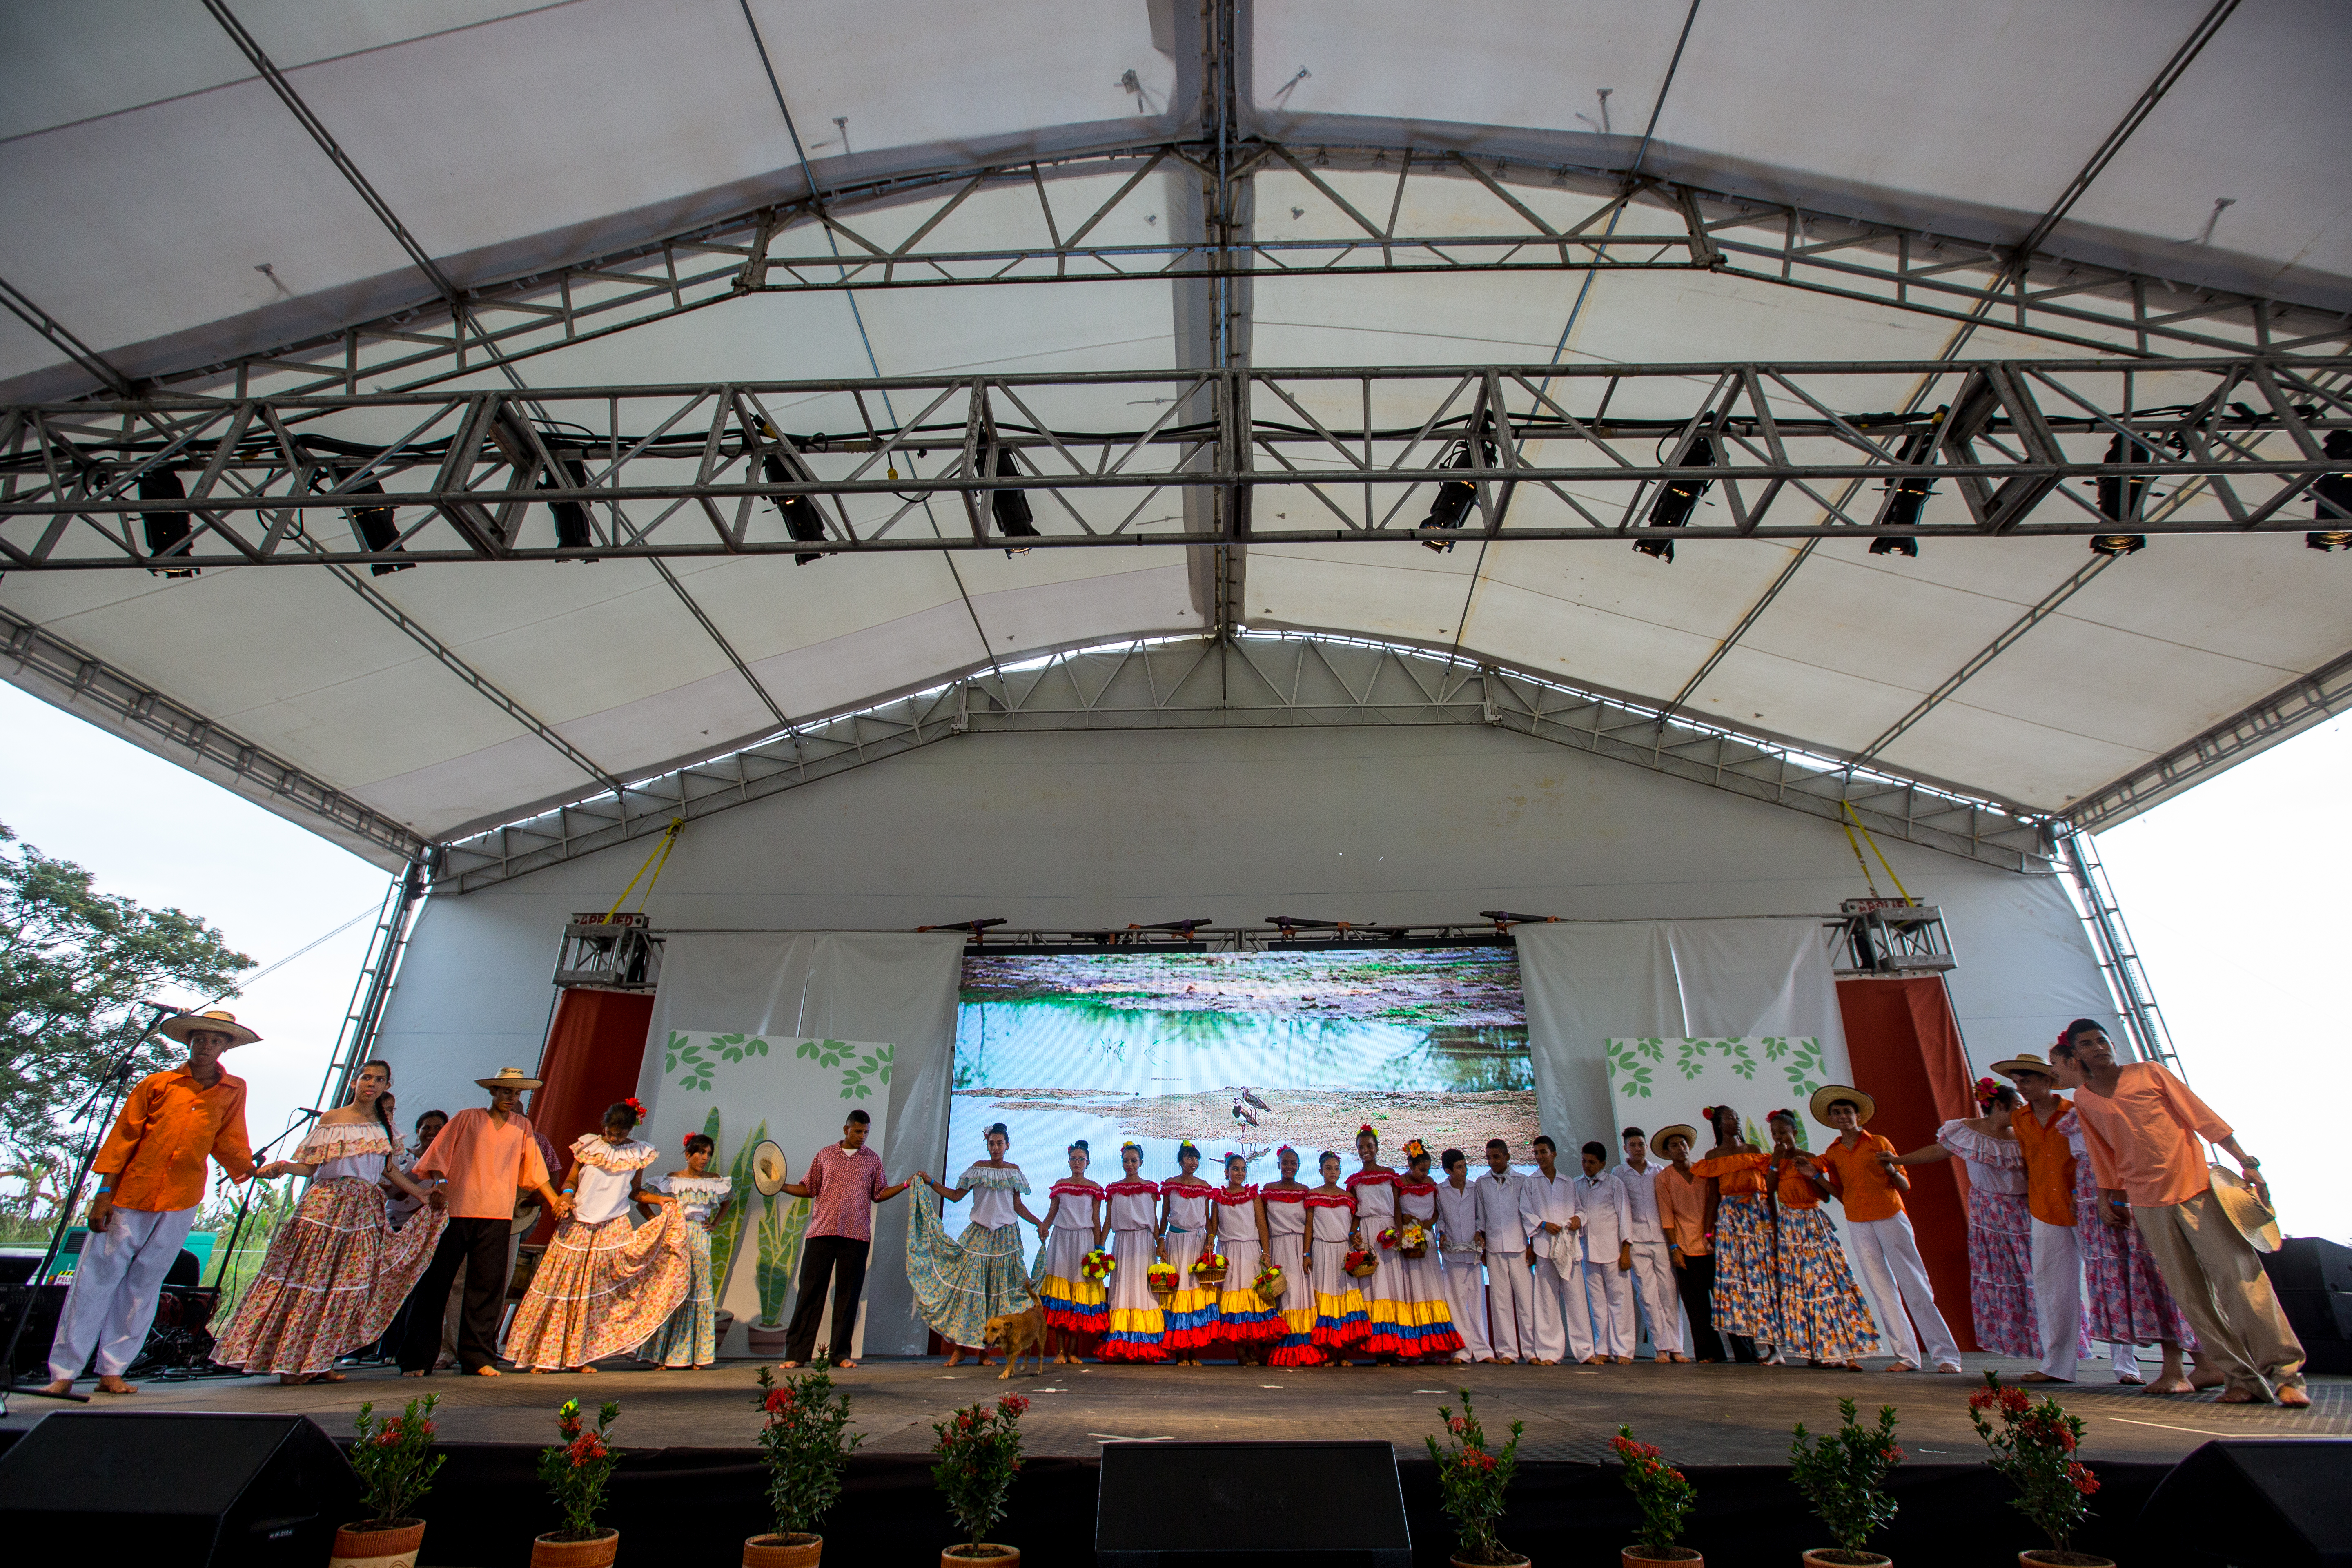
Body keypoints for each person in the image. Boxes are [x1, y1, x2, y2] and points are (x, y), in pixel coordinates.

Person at [2056, 1020, 2306, 1407]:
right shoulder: (2085, 1099)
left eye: (2103, 1041)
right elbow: (2102, 1152)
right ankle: (2242, 1378)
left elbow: (2201, 1116)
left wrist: (2246, 1161)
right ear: (2076, 1056)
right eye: (2088, 1044)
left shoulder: (2150, 1074)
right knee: (2191, 1296)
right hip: (2146, 1203)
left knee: (2239, 1279)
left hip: (2196, 1189)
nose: (2098, 1048)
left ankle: (2286, 1375)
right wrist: (2106, 1197)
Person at [43, 1009, 258, 1397]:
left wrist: (253, 1170)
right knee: (96, 1279)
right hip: (131, 1192)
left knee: (145, 1283)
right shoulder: (157, 1084)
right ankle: (65, 1371)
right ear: (188, 1042)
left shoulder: (233, 1090)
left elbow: (229, 1140)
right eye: (199, 1039)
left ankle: (113, 1369)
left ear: (226, 1047)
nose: (205, 1046)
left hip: (182, 1196)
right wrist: (103, 1194)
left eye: (215, 1041)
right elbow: (123, 1137)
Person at [210, 1060, 446, 1383]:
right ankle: (291, 1362)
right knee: (311, 1281)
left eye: (379, 1080)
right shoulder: (333, 1119)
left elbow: (389, 1170)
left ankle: (319, 1359)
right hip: (326, 1207)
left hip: (364, 1208)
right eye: (367, 1077)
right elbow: (310, 1167)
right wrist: (284, 1166)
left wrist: (421, 1196)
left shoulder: (386, 1127)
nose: (372, 1084)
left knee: (345, 1286)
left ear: (387, 1087)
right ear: (355, 1082)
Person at [2039, 1047, 2204, 1390]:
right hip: (2100, 1199)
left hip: (2122, 1198)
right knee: (2138, 1279)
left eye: (2055, 1064)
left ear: (2073, 1062)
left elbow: (2120, 1154)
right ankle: (2199, 1362)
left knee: (2149, 1276)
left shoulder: (2105, 1103)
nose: (2053, 1072)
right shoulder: (2085, 1104)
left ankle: (2178, 1366)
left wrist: (2114, 1197)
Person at [397, 1066, 569, 1377]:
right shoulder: (467, 1118)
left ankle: (478, 1357)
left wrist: (555, 1200)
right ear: (493, 1091)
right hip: (458, 1210)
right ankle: (418, 1359)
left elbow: (536, 1170)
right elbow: (438, 1155)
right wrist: (440, 1183)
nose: (511, 1097)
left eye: (516, 1093)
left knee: (487, 1286)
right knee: (437, 1284)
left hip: (498, 1214)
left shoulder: (522, 1127)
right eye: (506, 1091)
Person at [505, 1099, 686, 1373]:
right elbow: (570, 1182)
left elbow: (634, 1192)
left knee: (594, 1296)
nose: (613, 1139)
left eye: (620, 1135)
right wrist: (565, 1198)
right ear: (604, 1127)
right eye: (610, 1133)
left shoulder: (638, 1154)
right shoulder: (589, 1145)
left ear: (630, 1131)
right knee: (561, 1289)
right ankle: (545, 1356)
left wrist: (661, 1200)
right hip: (578, 1224)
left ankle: (581, 1358)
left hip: (611, 1228)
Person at [1812, 1085, 1963, 1374]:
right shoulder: (1833, 1154)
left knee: (1914, 1283)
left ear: (1859, 1116)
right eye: (1837, 1113)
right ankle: (1907, 1356)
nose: (1843, 1116)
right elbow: (1842, 1194)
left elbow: (1905, 1186)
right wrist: (1817, 1176)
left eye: (1847, 1111)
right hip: (1858, 1220)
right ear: (1831, 1119)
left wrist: (1892, 1168)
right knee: (1882, 1288)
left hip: (1890, 1216)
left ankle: (1946, 1356)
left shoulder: (1878, 1143)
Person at [1894, 1080, 2036, 1362]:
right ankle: (2013, 1342)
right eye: (2018, 1105)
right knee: (2001, 1277)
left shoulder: (2026, 1134)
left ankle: (2047, 1345)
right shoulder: (1967, 1132)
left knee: (2034, 1275)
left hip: (2024, 1213)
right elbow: (1937, 1151)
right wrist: (1899, 1160)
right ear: (1999, 1105)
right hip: (1988, 1215)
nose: (2023, 1111)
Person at [775, 1107, 913, 1370]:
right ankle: (797, 1354)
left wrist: (906, 1184)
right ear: (846, 1129)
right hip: (822, 1233)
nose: (863, 1136)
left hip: (856, 1236)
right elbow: (809, 1188)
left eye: (866, 1132)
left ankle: (840, 1354)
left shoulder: (872, 1160)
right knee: (809, 1294)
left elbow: (879, 1193)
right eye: (858, 1131)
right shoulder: (826, 1156)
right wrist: (780, 1186)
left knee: (848, 1297)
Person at [1996, 1052, 2094, 1384]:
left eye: (2027, 1081)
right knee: (2053, 1289)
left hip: (2087, 1206)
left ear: (2047, 1081)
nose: (2021, 1088)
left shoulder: (2076, 1110)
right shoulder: (2021, 1119)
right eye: (2017, 1082)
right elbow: (2027, 1161)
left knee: (2107, 1280)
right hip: (2044, 1208)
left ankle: (2127, 1367)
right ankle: (2057, 1367)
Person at [911, 1122, 1042, 1368]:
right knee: (970, 1296)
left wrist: (1039, 1223)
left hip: (1005, 1240)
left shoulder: (1014, 1172)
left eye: (1000, 1144)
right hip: (978, 1237)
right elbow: (955, 1196)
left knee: (995, 1297)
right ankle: (960, 1351)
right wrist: (930, 1182)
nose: (995, 1148)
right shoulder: (977, 1170)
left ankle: (985, 1354)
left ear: (1007, 1146)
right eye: (992, 1144)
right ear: (987, 1144)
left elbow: (1018, 1207)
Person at [1762, 1109, 1875, 1370]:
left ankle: (1846, 1351)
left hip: (1812, 1222)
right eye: (1775, 1133)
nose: (1779, 1137)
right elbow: (1768, 1190)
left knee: (1830, 1283)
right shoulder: (1774, 1161)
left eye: (1784, 1132)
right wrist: (1776, 1162)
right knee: (1800, 1288)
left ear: (1795, 1133)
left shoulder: (1810, 1159)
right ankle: (1814, 1350)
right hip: (1789, 1226)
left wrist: (1810, 1174)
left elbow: (1825, 1197)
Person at [1653, 1123, 1751, 1363]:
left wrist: (1715, 1236)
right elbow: (1667, 1216)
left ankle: (1746, 1352)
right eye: (1674, 1145)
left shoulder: (1704, 1170)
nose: (1681, 1148)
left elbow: (1716, 1202)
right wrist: (1675, 1248)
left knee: (1728, 1302)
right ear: (1667, 1152)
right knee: (1697, 1308)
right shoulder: (1664, 1178)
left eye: (1683, 1143)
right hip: (1686, 1249)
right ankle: (1708, 1353)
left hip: (1714, 1246)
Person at [1693, 1105, 1782, 1362]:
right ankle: (1754, 1344)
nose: (1736, 1121)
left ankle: (1775, 1348)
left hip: (1757, 1217)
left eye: (1738, 1117)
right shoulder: (1713, 1156)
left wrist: (1775, 1224)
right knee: (1740, 1285)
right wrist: (1708, 1233)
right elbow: (1713, 1197)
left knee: (1763, 1280)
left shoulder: (1753, 1151)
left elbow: (1769, 1188)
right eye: (1730, 1118)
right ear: (1719, 1124)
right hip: (1730, 1222)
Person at [646, 1132, 733, 1369]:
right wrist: (659, 1224)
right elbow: (641, 1199)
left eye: (709, 1154)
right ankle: (663, 1355)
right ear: (688, 1155)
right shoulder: (672, 1180)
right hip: (676, 1237)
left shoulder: (714, 1180)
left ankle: (696, 1355)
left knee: (698, 1290)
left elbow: (727, 1201)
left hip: (701, 1237)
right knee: (674, 1290)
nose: (705, 1158)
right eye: (701, 1153)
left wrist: (714, 1224)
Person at [1614, 1127, 1686, 1363]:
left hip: (1662, 1240)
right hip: (1636, 1241)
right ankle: (1661, 1348)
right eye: (1633, 1145)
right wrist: (1625, 1244)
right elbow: (1620, 1211)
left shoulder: (1659, 1171)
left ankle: (1677, 1348)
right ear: (1626, 1148)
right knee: (1647, 1295)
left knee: (1669, 1294)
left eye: (1641, 1144)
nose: (1638, 1149)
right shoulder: (1618, 1174)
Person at [1033, 1140, 1107, 1364]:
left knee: (1079, 1297)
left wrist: (1098, 1249)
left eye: (1081, 1159)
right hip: (1062, 1241)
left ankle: (1073, 1352)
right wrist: (1044, 1227)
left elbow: (1096, 1220)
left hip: (1084, 1242)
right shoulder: (1061, 1185)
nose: (1077, 1163)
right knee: (1061, 1295)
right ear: (1069, 1162)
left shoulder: (1094, 1188)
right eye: (1074, 1159)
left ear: (1088, 1162)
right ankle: (1060, 1352)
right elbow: (1052, 1213)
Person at [1391, 1143, 1464, 1362]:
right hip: (1408, 1242)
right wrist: (1404, 1225)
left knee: (1432, 1289)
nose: (1425, 1174)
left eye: (1428, 1170)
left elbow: (1436, 1213)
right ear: (1410, 1165)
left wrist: (1428, 1224)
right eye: (1421, 1170)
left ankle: (1434, 1347)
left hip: (1427, 1241)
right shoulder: (1399, 1183)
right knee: (1411, 1291)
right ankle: (1411, 1349)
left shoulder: (1431, 1184)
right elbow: (1396, 1209)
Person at [1519, 1134, 1588, 1366]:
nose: (1539, 1157)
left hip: (1568, 1246)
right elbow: (1526, 1213)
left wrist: (1579, 1218)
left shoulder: (1568, 1182)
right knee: (1547, 1301)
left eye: (1543, 1153)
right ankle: (1550, 1352)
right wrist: (1543, 1224)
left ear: (1554, 1154)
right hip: (1544, 1246)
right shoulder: (1531, 1182)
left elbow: (1581, 1209)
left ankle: (1585, 1351)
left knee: (1576, 1299)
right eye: (1536, 1153)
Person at [1099, 1143, 1166, 1363]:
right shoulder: (1114, 1189)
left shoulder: (1150, 1188)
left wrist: (1160, 1242)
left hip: (1144, 1243)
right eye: (1126, 1161)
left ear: (1141, 1162)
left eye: (1134, 1161)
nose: (1130, 1165)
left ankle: (1145, 1341)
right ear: (1122, 1162)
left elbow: (1154, 1220)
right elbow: (1108, 1220)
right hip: (1122, 1243)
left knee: (1144, 1289)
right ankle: (1123, 1341)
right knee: (1123, 1288)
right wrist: (1100, 1248)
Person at [1345, 1125, 1407, 1362]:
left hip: (1389, 1231)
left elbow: (1398, 1206)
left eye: (1369, 1146)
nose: (1365, 1151)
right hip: (1369, 1233)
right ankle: (1377, 1346)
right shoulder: (1355, 1181)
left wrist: (1399, 1231)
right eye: (1361, 1148)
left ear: (1377, 1148)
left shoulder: (1390, 1175)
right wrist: (1354, 1235)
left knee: (1391, 1284)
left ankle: (1395, 1345)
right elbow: (1356, 1214)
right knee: (1373, 1286)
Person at [1210, 1152, 1280, 1363]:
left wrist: (1266, 1253)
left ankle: (1251, 1346)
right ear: (1226, 1172)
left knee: (1251, 1298)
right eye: (1235, 1169)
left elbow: (1262, 1226)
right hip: (1229, 1253)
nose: (1239, 1173)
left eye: (1243, 1169)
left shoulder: (1253, 1196)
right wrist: (1209, 1242)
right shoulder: (1219, 1198)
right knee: (1233, 1298)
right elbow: (1214, 1225)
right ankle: (1239, 1349)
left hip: (1250, 1251)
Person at [1156, 1141, 1220, 1365]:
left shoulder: (1204, 1187)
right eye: (1189, 1157)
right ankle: (1180, 1353)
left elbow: (1209, 1221)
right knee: (1178, 1290)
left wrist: (1210, 1240)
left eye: (1196, 1158)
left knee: (1195, 1292)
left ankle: (1194, 1352)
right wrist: (1161, 1241)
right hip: (1176, 1241)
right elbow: (1164, 1217)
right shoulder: (1171, 1186)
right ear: (1181, 1160)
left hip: (1197, 1242)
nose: (1193, 1162)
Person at [1571, 1140, 1635, 1364]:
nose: (1586, 1166)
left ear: (1603, 1164)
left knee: (1620, 1300)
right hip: (1588, 1251)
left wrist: (1626, 1248)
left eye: (1592, 1162)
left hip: (1614, 1250)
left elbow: (1624, 1216)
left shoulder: (1614, 1184)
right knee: (1597, 1302)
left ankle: (1624, 1349)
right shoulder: (1577, 1185)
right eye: (1584, 1161)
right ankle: (1603, 1347)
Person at [1474, 1138, 1534, 1363]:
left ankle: (1531, 1350)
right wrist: (1483, 1243)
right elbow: (1481, 1217)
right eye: (1488, 1158)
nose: (1492, 1162)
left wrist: (1532, 1245)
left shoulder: (1522, 1181)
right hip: (1495, 1248)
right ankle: (1507, 1351)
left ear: (1507, 1157)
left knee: (1526, 1301)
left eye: (1496, 1157)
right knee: (1501, 1302)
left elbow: (1528, 1215)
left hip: (1519, 1247)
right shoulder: (1482, 1183)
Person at [1305, 1150, 1367, 1363]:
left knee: (1344, 1299)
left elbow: (1354, 1224)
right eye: (1329, 1169)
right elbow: (1309, 1228)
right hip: (1322, 1250)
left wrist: (1353, 1236)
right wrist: (1307, 1253)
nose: (1333, 1172)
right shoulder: (1314, 1196)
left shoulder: (1348, 1197)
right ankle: (1328, 1353)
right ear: (1321, 1171)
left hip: (1343, 1252)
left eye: (1337, 1169)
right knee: (1325, 1298)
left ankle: (1343, 1353)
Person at [1261, 1146, 1319, 1367]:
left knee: (1298, 1294)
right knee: (1280, 1294)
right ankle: (1281, 1349)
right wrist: (1265, 1253)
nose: (1289, 1167)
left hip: (1299, 1247)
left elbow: (1310, 1226)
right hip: (1277, 1247)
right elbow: (1263, 1224)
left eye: (1293, 1163)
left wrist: (1306, 1253)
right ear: (1278, 1165)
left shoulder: (1305, 1191)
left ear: (1299, 1167)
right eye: (1285, 1162)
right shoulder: (1268, 1191)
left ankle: (1303, 1348)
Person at [1432, 1147, 1490, 1364]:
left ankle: (1483, 1350)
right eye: (1458, 1167)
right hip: (1453, 1253)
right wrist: (1443, 1234)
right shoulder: (1441, 1190)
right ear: (1448, 1170)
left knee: (1477, 1301)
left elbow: (1480, 1215)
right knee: (1456, 1302)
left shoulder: (1475, 1188)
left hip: (1473, 1253)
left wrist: (1479, 1231)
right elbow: (1440, 1218)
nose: (1464, 1171)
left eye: (1465, 1166)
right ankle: (1462, 1350)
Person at [383, 1108, 448, 1232]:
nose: (432, 1132)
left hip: (422, 1227)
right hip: (390, 1222)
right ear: (418, 1131)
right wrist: (397, 1192)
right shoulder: (400, 1154)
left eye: (438, 1128)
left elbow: (442, 1184)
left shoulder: (447, 1161)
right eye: (427, 1128)